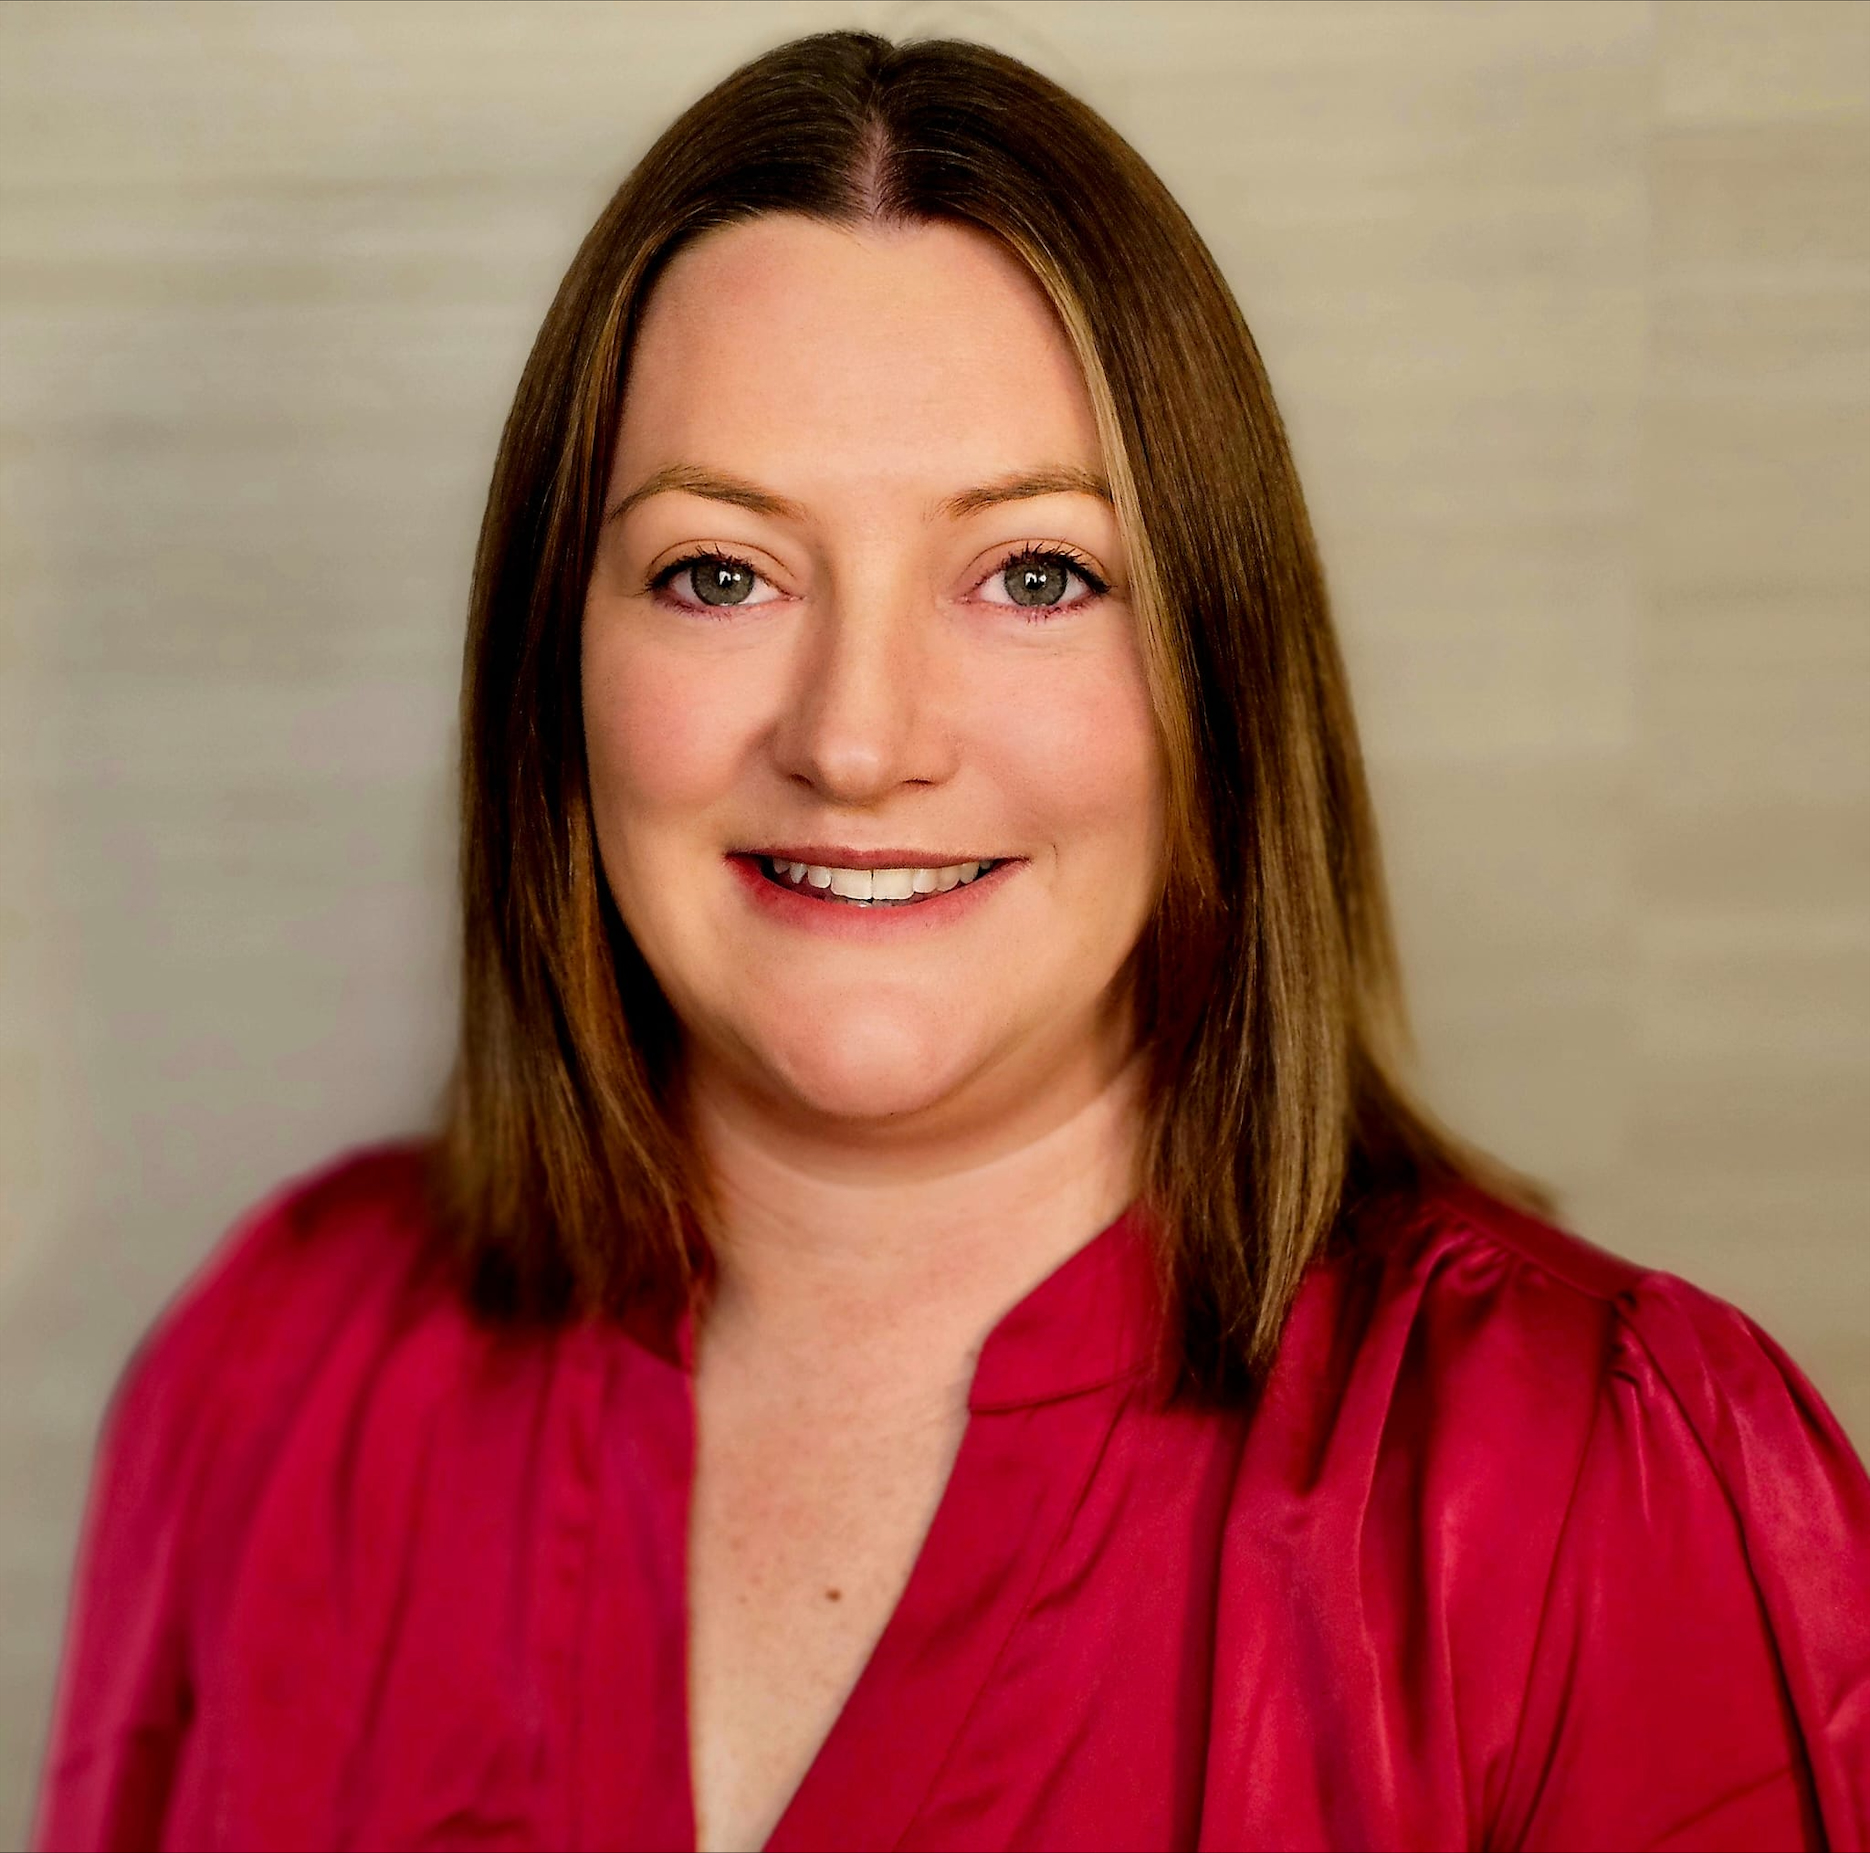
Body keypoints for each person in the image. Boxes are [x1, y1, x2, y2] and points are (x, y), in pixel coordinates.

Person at [31, 28, 1870, 1853]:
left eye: (1034, 576)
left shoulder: (1600, 1493)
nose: (855, 737)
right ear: (556, 671)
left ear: (1217, 678)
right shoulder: (273, 1378)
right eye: (717, 572)